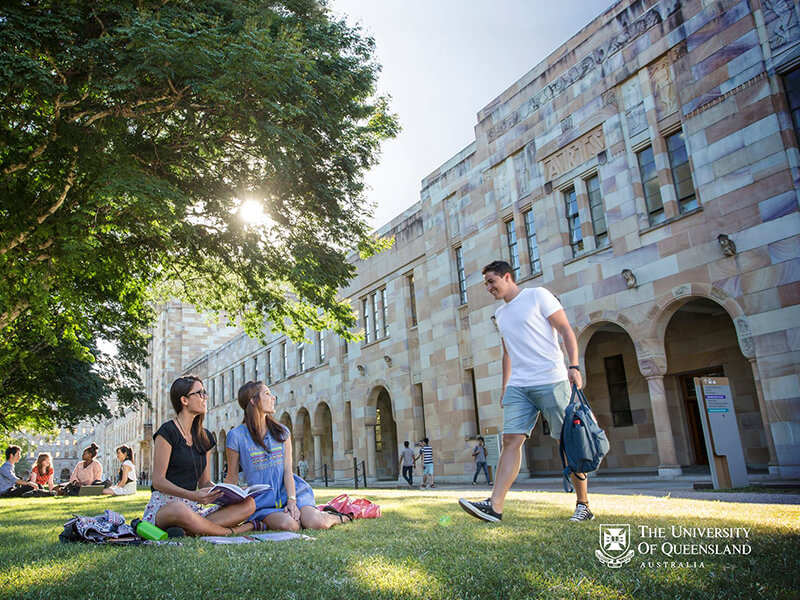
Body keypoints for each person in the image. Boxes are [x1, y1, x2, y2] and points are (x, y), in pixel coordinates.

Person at [459, 260, 591, 523]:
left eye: (491, 282)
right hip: (519, 385)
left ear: (507, 277)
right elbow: (507, 352)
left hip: (551, 379)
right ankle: (495, 507)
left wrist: (574, 365)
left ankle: (583, 505)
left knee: (567, 442)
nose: (488, 288)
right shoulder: (501, 313)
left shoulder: (537, 295)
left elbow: (565, 329)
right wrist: (505, 386)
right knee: (511, 440)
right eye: (486, 283)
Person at [226, 381, 351, 531]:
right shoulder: (236, 436)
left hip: (293, 492)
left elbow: (287, 470)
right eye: (266, 394)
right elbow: (232, 477)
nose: (273, 398)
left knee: (316, 523)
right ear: (252, 400)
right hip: (262, 503)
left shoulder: (282, 432)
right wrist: (226, 507)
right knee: (291, 525)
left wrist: (292, 501)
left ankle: (338, 516)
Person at [142, 375, 256, 536]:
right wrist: (192, 495)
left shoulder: (205, 437)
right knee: (179, 509)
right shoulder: (167, 432)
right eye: (200, 393)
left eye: (205, 392)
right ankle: (231, 531)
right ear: (184, 400)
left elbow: (204, 482)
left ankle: (188, 529)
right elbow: (158, 481)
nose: (205, 397)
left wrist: (232, 492)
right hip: (167, 506)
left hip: (193, 508)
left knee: (249, 504)